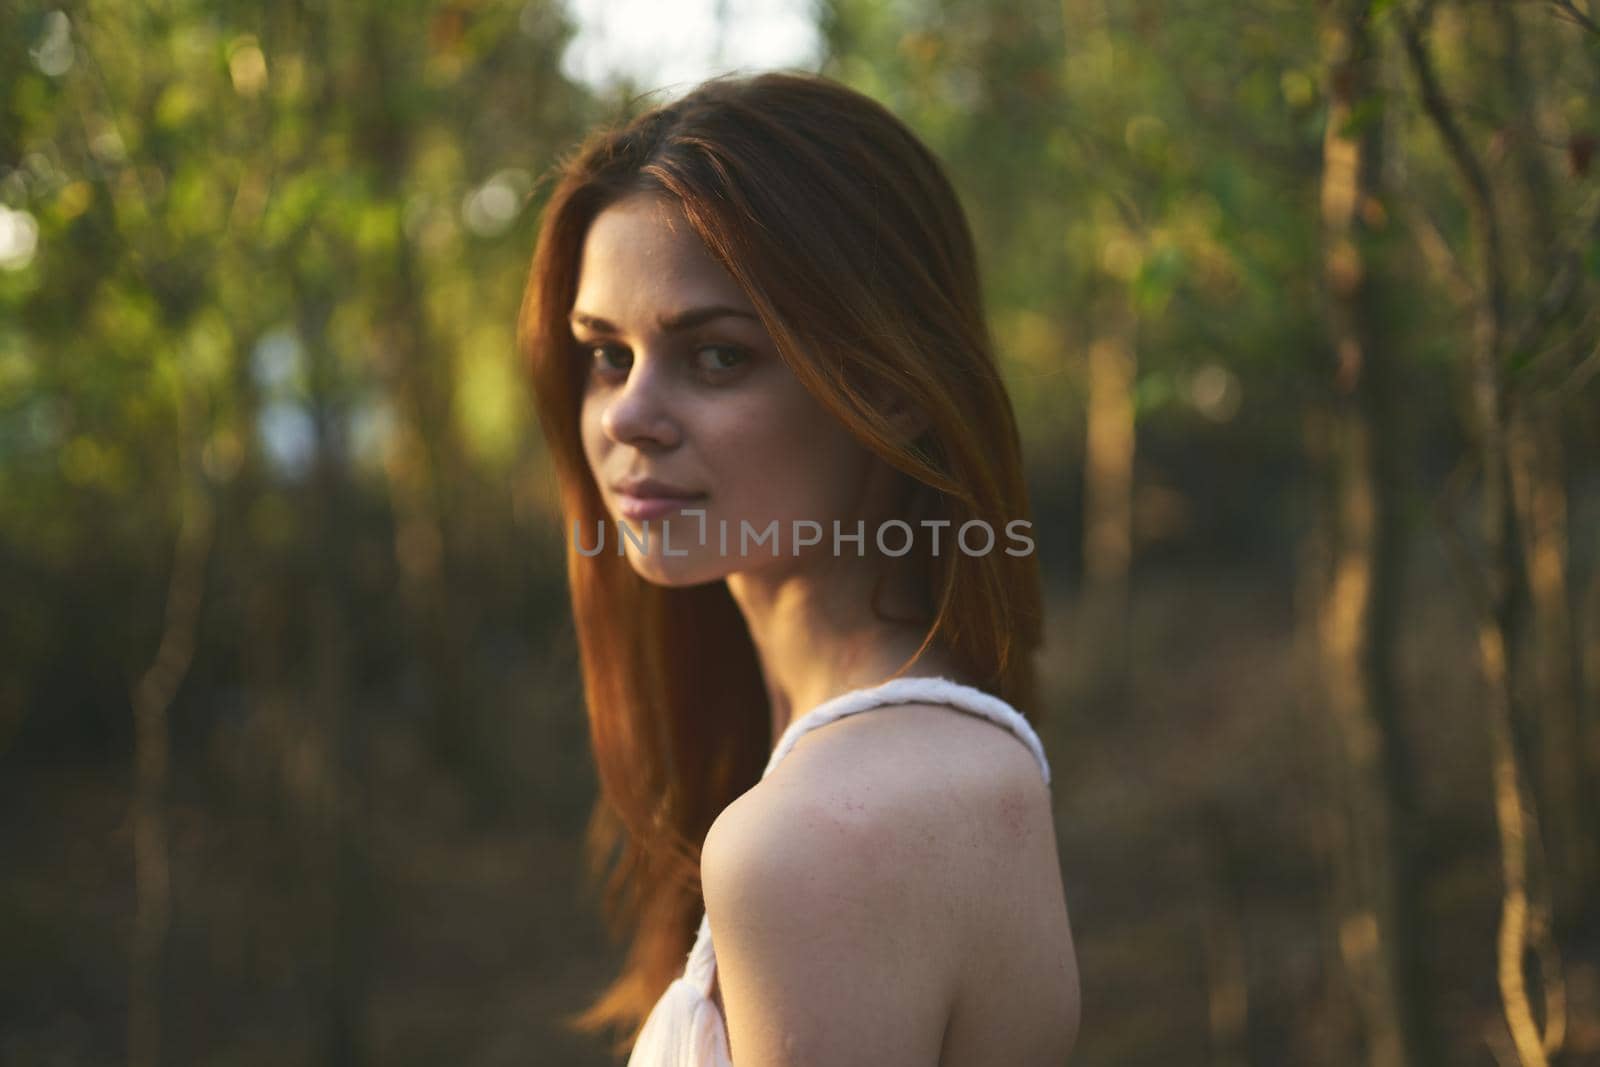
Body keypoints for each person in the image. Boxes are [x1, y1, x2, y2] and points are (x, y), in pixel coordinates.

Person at [519, 70, 1079, 1065]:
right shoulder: (933, 749)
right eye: (607, 355)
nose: (627, 416)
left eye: (718, 356)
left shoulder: (822, 833)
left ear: (890, 383)